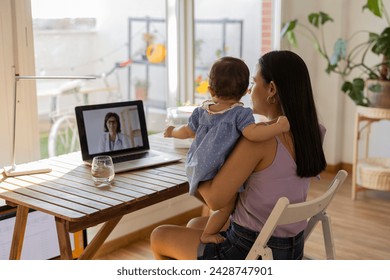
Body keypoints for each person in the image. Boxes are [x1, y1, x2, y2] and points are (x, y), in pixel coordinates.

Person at [151, 50, 327, 260]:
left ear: (271, 89)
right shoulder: (314, 132)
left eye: (254, 83)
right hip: (290, 249)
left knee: (159, 235)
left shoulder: (260, 142)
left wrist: (195, 163)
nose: (250, 90)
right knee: (195, 225)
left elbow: (215, 201)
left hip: (251, 250)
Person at [163, 56, 290, 244]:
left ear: (210, 90)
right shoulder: (240, 114)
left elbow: (187, 132)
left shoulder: (201, 111)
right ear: (245, 91)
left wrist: (172, 131)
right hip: (217, 170)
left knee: (210, 211)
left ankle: (211, 231)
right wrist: (278, 127)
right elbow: (253, 134)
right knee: (225, 208)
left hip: (195, 167)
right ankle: (208, 234)